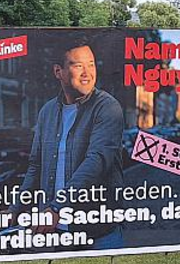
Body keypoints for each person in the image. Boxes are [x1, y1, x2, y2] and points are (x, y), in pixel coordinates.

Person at [15, 36, 125, 249]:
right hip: (55, 232)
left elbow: (97, 162)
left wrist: (57, 208)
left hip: (98, 232)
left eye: (91, 65)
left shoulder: (108, 107)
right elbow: (36, 166)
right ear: (59, 72)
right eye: (78, 65)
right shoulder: (47, 111)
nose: (87, 73)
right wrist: (16, 209)